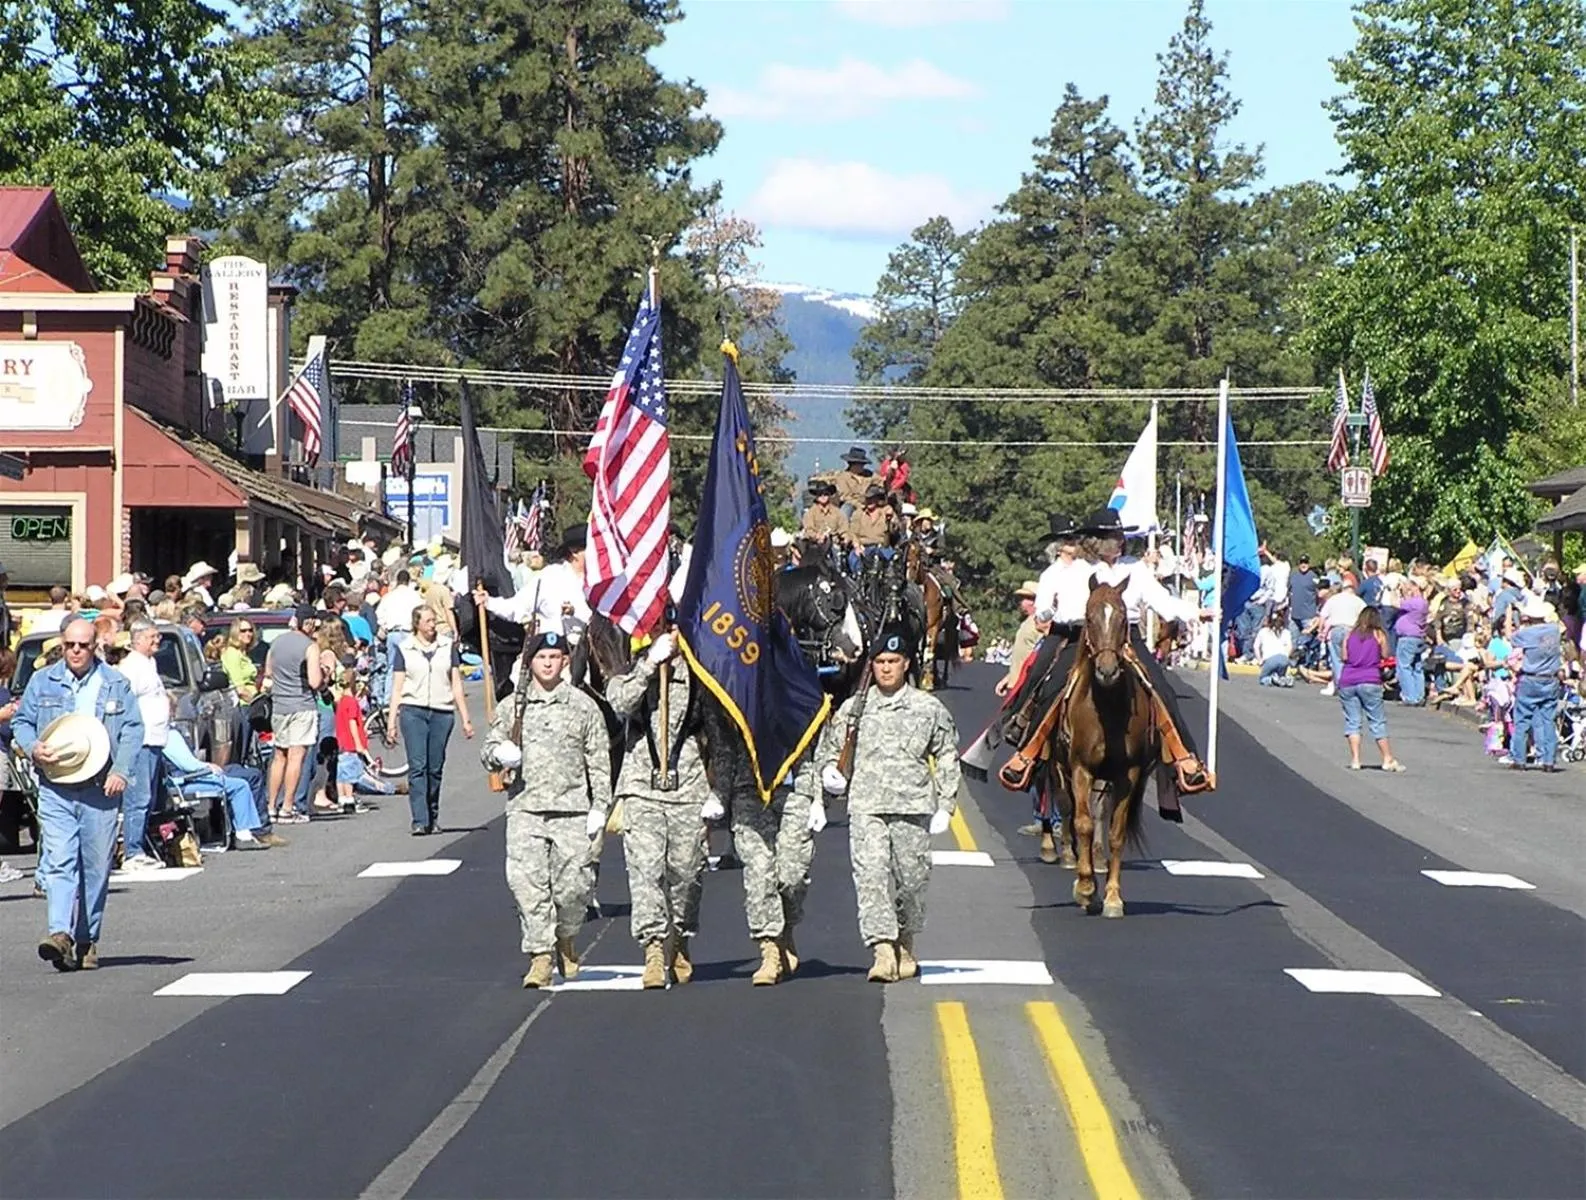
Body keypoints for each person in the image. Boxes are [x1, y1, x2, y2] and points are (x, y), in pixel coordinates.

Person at [816, 626, 958, 983]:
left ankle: (905, 942)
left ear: (906, 663)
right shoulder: (854, 709)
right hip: (866, 807)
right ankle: (881, 949)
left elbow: (946, 755)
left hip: (912, 807)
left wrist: (946, 803)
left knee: (911, 882)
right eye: (879, 662)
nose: (885, 668)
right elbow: (830, 751)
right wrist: (829, 777)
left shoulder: (928, 708)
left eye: (893, 661)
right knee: (871, 878)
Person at [482, 631, 611, 988]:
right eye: (542, 658)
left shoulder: (584, 707)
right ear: (530, 663)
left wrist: (601, 807)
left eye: (555, 657)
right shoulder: (513, 707)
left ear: (565, 662)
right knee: (528, 886)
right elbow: (488, 751)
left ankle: (566, 936)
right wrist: (500, 754)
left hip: (572, 810)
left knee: (574, 889)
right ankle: (540, 956)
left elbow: (598, 759)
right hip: (527, 809)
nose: (549, 663)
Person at [16, 618, 143, 971]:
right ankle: (59, 934)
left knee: (95, 867)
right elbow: (23, 722)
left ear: (94, 647)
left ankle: (86, 938)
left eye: (83, 645)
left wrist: (121, 771)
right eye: (70, 644)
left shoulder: (115, 683)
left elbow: (133, 730)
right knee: (59, 859)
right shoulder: (43, 681)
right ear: (62, 643)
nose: (75, 651)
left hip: (99, 787)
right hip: (56, 785)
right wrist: (32, 747)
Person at [605, 629, 708, 990]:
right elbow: (619, 704)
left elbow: (719, 728)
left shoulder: (701, 677)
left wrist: (718, 792)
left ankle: (680, 938)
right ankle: (652, 949)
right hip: (641, 788)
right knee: (645, 871)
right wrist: (650, 665)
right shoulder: (631, 675)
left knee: (687, 873)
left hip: (689, 786)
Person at [386, 604, 474, 835]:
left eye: (434, 621)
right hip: (413, 710)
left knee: (435, 768)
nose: (433, 625)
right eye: (428, 621)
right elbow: (397, 688)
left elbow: (456, 684)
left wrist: (465, 718)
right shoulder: (405, 649)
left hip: (441, 711)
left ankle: (433, 816)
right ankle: (419, 819)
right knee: (417, 766)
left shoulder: (447, 647)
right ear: (417, 624)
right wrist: (391, 722)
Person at [161, 727, 286, 849]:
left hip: (187, 776)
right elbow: (188, 765)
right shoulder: (170, 734)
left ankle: (254, 828)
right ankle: (244, 835)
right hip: (185, 780)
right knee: (240, 785)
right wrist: (208, 766)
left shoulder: (167, 732)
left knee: (247, 773)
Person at [114, 618, 170, 872]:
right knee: (138, 798)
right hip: (141, 742)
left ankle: (140, 847)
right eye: (152, 637)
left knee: (150, 798)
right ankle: (132, 852)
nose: (157, 640)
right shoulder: (131, 667)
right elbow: (123, 705)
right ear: (137, 640)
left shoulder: (150, 663)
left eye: (158, 636)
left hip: (156, 739)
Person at [263, 607, 323, 825]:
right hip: (301, 704)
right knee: (296, 756)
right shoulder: (310, 647)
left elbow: (268, 672)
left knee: (279, 756)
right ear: (308, 624)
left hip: (280, 705)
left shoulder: (277, 642)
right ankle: (288, 807)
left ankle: (271, 807)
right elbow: (315, 682)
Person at [1336, 607, 1404, 772]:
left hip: (1348, 679)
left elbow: (1344, 657)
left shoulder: (1350, 634)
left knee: (1353, 721)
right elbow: (1386, 654)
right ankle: (1387, 758)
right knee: (1376, 720)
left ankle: (1355, 759)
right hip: (1369, 678)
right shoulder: (1378, 634)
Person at [1508, 597, 1564, 772]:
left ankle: (1519, 758)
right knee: (1548, 720)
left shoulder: (1527, 633)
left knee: (1522, 718)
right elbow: (1562, 626)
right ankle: (1548, 760)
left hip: (1531, 678)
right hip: (1550, 678)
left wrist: (1511, 615)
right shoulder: (1555, 630)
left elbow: (1511, 637)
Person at [1318, 578, 1365, 697]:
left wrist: (1320, 630)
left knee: (1336, 659)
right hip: (1352, 630)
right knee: (1351, 658)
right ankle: (1351, 683)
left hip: (1336, 629)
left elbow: (1323, 616)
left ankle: (1341, 685)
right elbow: (1365, 616)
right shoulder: (1358, 601)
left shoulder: (1334, 599)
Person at [996, 581, 1042, 698]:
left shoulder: (1040, 624)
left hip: (1027, 684)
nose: (1021, 602)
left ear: (1033, 601)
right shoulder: (1027, 622)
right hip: (1017, 683)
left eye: (1024, 598)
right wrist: (1009, 678)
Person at [1393, 578, 1429, 706]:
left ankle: (1410, 696)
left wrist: (1395, 591)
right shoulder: (1423, 602)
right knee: (1417, 667)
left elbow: (1395, 603)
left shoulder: (1416, 602)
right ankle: (1419, 696)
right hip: (1418, 637)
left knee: (1404, 667)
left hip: (1408, 638)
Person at [847, 484, 897, 571]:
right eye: (868, 498)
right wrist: (857, 546)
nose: (870, 501)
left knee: (892, 559)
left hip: (882, 546)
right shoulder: (859, 514)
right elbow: (853, 533)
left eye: (872, 498)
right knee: (854, 559)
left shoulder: (886, 512)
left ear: (878, 499)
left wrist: (891, 519)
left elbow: (895, 530)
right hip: (864, 547)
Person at [800, 480, 849, 544]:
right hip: (817, 544)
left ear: (829, 495)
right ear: (816, 496)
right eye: (820, 494)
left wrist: (845, 538)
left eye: (825, 494)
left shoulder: (837, 512)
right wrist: (817, 536)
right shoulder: (810, 513)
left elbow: (844, 528)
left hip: (834, 543)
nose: (823, 496)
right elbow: (808, 530)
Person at [221, 619, 260, 699]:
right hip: (243, 704)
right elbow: (240, 689)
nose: (248, 634)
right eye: (243, 631)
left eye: (250, 630)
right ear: (235, 633)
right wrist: (255, 703)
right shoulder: (232, 654)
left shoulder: (243, 653)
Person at [1254, 610, 1294, 687]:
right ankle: (1284, 678)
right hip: (1283, 659)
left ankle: (1271, 680)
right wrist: (1286, 657)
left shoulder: (1263, 631)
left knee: (1263, 678)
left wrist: (1260, 660)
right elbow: (1290, 647)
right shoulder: (1286, 632)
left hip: (1269, 659)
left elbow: (1256, 647)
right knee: (1280, 675)